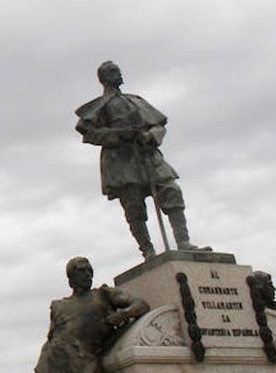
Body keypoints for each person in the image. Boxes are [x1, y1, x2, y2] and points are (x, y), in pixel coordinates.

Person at [75, 61, 204, 259]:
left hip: (147, 155)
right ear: (103, 78)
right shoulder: (99, 106)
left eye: (118, 70)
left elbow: (159, 125)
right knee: (134, 207)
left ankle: (183, 242)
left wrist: (150, 136)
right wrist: (117, 134)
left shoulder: (135, 100)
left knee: (171, 190)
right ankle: (147, 250)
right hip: (122, 160)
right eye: (113, 71)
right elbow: (88, 132)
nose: (119, 73)